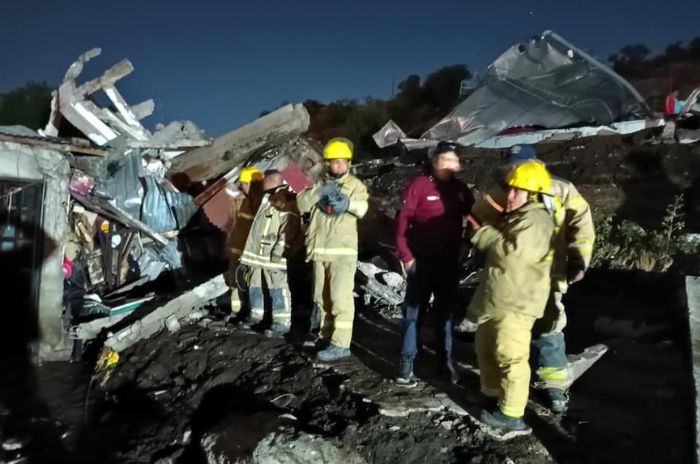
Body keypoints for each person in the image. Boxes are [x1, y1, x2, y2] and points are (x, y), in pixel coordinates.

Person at [471, 144, 595, 413]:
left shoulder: (562, 189)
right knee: (511, 333)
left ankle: (553, 384)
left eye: (517, 168)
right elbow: (479, 217)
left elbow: (581, 224)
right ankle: (509, 387)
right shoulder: (503, 191)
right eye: (509, 170)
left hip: (551, 271)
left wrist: (579, 258)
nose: (513, 176)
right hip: (518, 276)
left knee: (549, 324)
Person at [467, 160, 555, 436]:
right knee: (486, 348)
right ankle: (493, 394)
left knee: (510, 357)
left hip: (517, 302)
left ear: (535, 194)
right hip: (498, 298)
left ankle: (512, 414)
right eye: (511, 190)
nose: (511, 195)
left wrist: (482, 233)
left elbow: (511, 254)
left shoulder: (535, 220)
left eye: (518, 191)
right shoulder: (517, 216)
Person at [394, 141, 474, 387]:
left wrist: (468, 244)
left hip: (449, 263)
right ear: (434, 160)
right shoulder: (419, 186)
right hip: (421, 261)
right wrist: (406, 256)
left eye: (453, 160)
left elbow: (473, 216)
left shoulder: (461, 190)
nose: (449, 164)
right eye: (444, 159)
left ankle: (445, 362)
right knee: (412, 314)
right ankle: (407, 363)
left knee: (446, 315)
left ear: (459, 165)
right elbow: (402, 222)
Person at [297, 138, 369, 362]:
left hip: (342, 253)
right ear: (327, 164)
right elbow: (301, 203)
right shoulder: (320, 185)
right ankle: (326, 336)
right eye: (333, 162)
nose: (337, 166)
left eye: (341, 162)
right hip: (320, 251)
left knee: (340, 299)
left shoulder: (355, 185)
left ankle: (341, 344)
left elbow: (363, 207)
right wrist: (318, 193)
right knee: (321, 297)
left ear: (348, 163)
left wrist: (348, 204)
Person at [239, 170, 301, 335]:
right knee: (255, 283)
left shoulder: (287, 200)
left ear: (272, 182)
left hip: (272, 256)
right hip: (258, 254)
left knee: (277, 287)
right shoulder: (267, 198)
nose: (261, 184)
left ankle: (281, 322)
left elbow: (289, 228)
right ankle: (255, 315)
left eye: (264, 181)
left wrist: (279, 251)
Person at [225, 166, 264, 323]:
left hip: (249, 249)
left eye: (245, 183)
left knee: (249, 280)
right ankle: (237, 311)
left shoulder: (260, 202)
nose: (242, 186)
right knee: (235, 280)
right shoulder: (240, 200)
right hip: (236, 247)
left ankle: (253, 312)